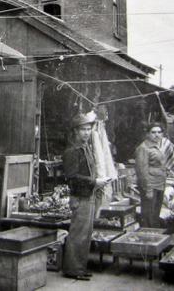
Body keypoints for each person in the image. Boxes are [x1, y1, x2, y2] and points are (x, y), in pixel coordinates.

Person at [62, 113, 110, 281]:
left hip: (87, 195)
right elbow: (72, 178)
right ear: (75, 131)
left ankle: (79, 267)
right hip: (79, 197)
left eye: (89, 129)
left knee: (86, 234)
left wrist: (97, 182)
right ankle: (72, 269)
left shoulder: (85, 147)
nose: (86, 132)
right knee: (78, 234)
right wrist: (94, 182)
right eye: (83, 129)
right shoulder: (72, 151)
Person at [134, 123, 167, 228]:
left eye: (159, 132)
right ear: (148, 134)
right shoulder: (143, 148)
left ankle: (155, 236)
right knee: (148, 214)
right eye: (153, 132)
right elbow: (141, 171)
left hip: (160, 183)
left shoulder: (160, 146)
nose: (156, 135)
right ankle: (148, 235)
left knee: (156, 213)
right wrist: (148, 189)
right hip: (150, 185)